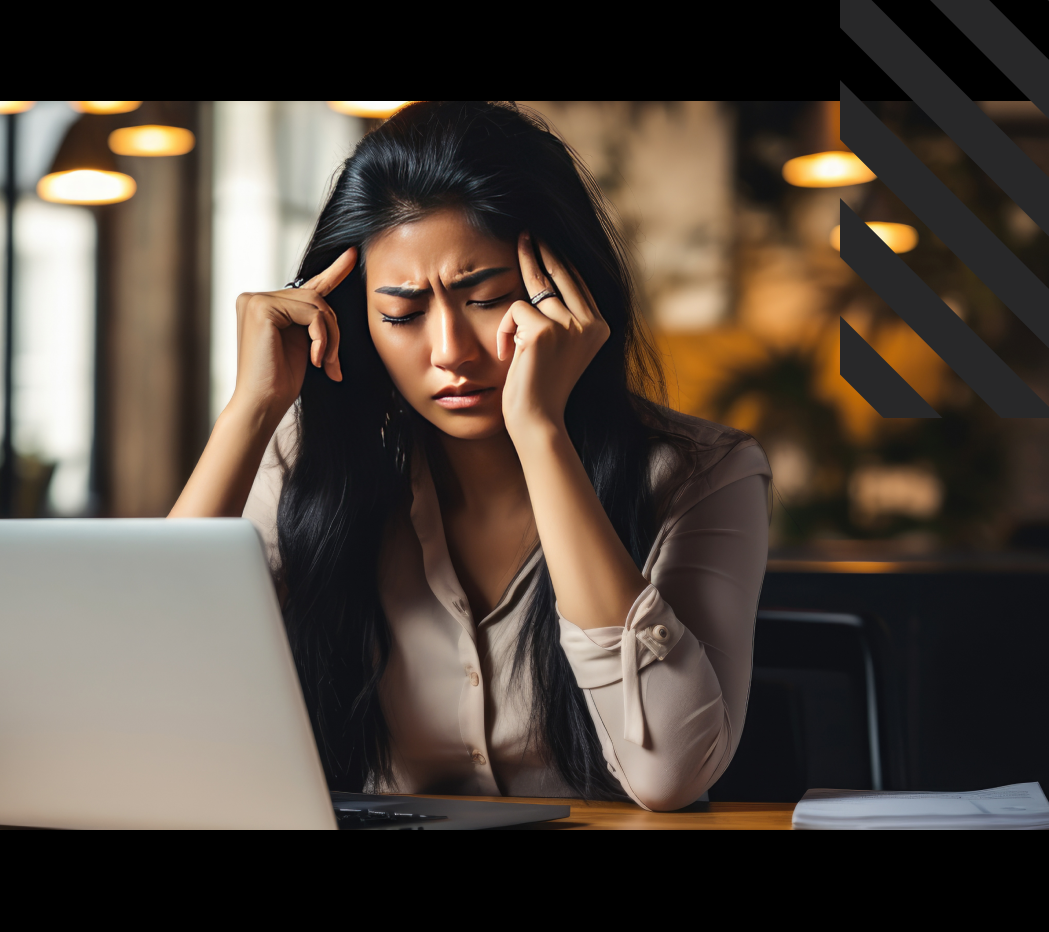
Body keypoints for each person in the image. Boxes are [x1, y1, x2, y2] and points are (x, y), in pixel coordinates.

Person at [170, 101, 770, 810]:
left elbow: (669, 773)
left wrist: (540, 433)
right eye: (402, 314)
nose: (451, 352)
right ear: (356, 319)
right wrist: (251, 411)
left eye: (486, 299)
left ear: (567, 297)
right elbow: (146, 687)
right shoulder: (308, 465)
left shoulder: (703, 475)